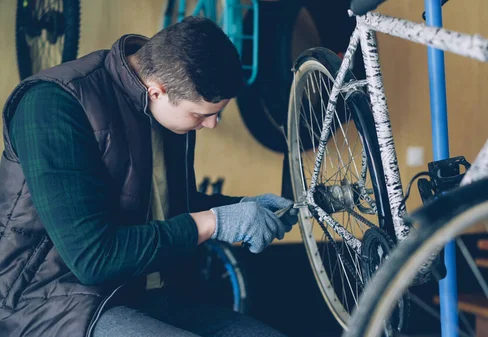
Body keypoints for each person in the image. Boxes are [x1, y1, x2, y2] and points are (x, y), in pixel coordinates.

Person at [0, 16, 298, 337]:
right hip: (51, 304)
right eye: (202, 115)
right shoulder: (53, 105)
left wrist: (242, 208)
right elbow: (93, 259)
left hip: (147, 293)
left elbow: (157, 207)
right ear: (157, 91)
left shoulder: (165, 108)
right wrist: (216, 221)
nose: (211, 125)